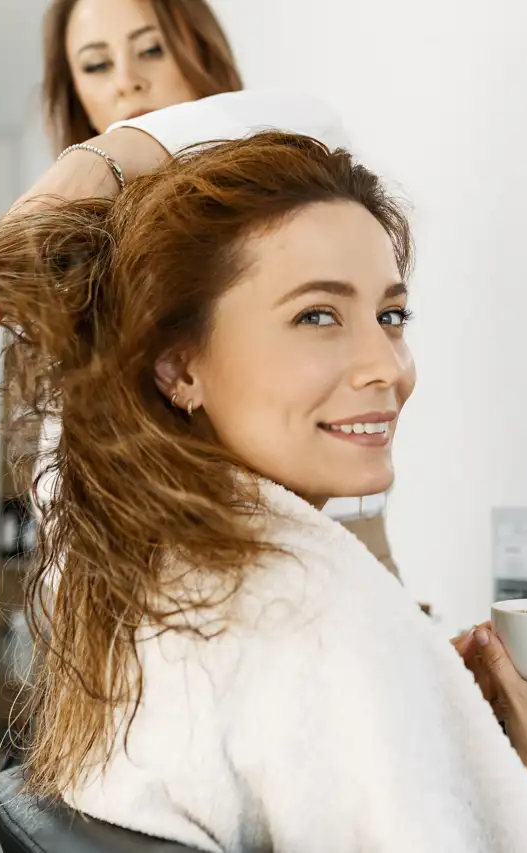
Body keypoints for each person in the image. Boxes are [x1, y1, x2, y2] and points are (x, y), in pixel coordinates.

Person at [0, 132, 527, 852]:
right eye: (317, 315)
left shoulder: (150, 577)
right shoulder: (314, 609)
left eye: (390, 313)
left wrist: (423, 699)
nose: (387, 366)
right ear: (178, 366)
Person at [22, 0, 407, 579]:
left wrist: (110, 154)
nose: (128, 81)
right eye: (96, 66)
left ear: (202, 52)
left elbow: (311, 118)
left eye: (151, 49)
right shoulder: (84, 269)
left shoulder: (282, 186)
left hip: (332, 549)